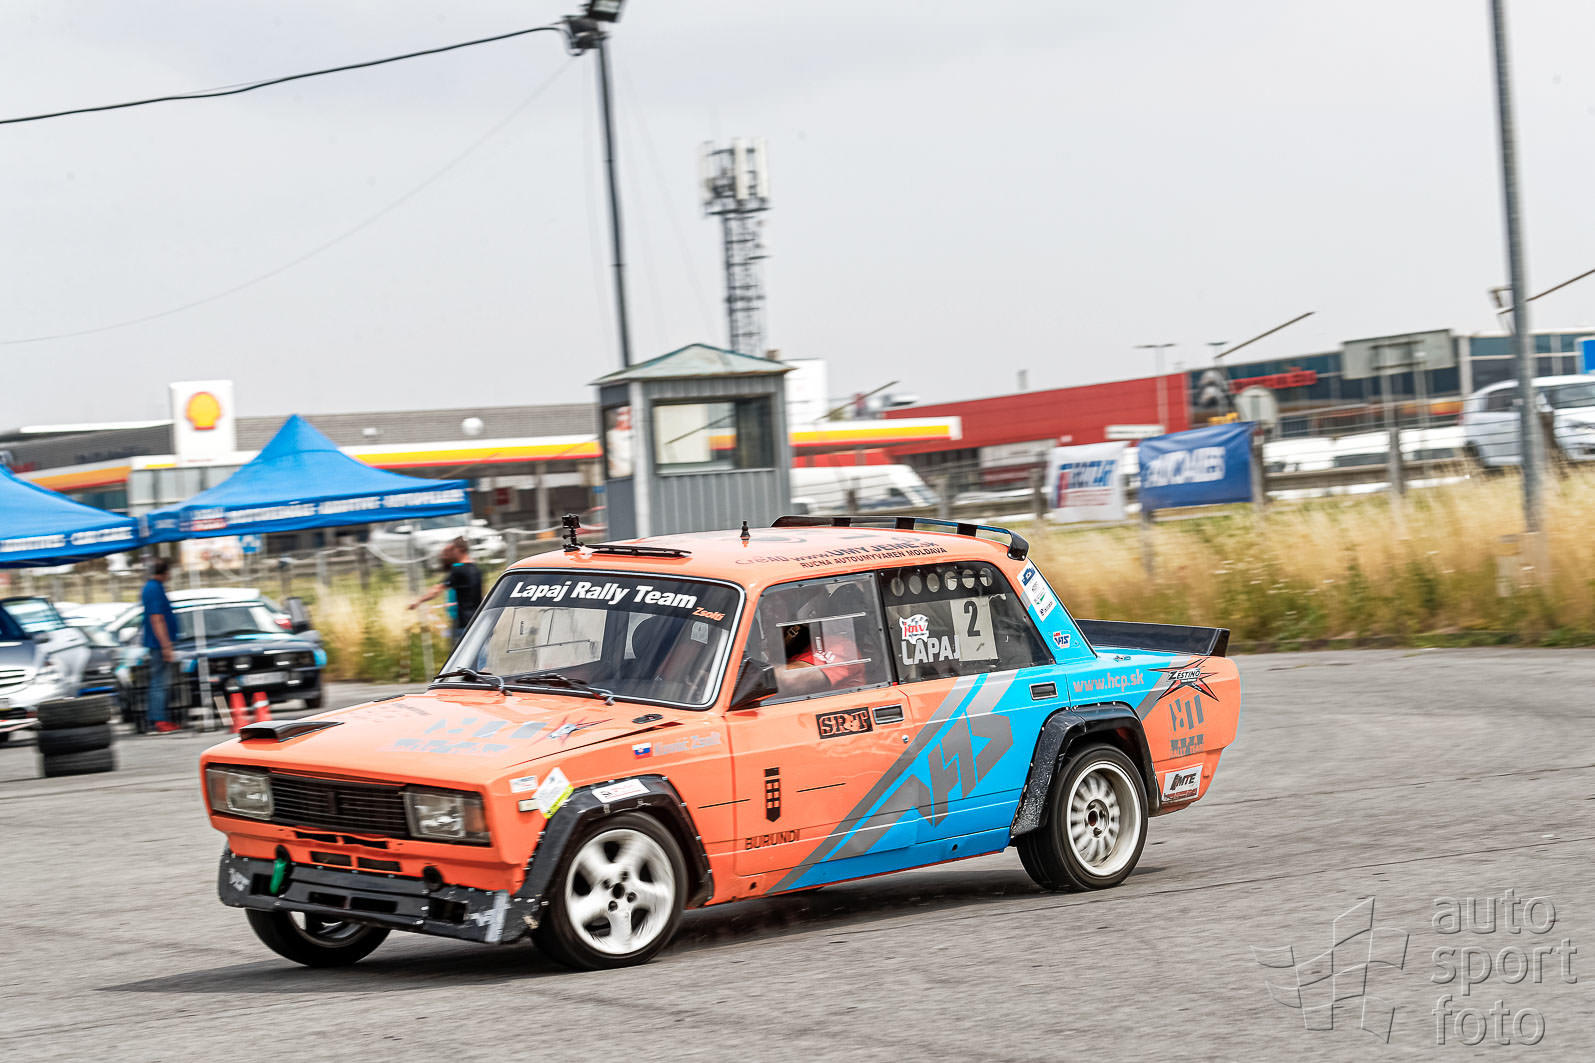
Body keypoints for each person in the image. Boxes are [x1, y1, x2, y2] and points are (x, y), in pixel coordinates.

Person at [409, 537, 483, 645]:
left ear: (459, 549)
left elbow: (437, 590)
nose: (452, 552)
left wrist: (418, 601)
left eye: (453, 549)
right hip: (479, 621)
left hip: (464, 624)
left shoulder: (458, 570)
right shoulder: (476, 569)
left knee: (459, 653)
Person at [140, 558, 180, 733]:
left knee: (160, 681)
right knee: (160, 682)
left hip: (157, 643)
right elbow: (157, 619)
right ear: (165, 572)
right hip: (158, 644)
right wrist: (166, 646)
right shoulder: (154, 588)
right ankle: (159, 720)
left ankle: (159, 718)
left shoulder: (152, 587)